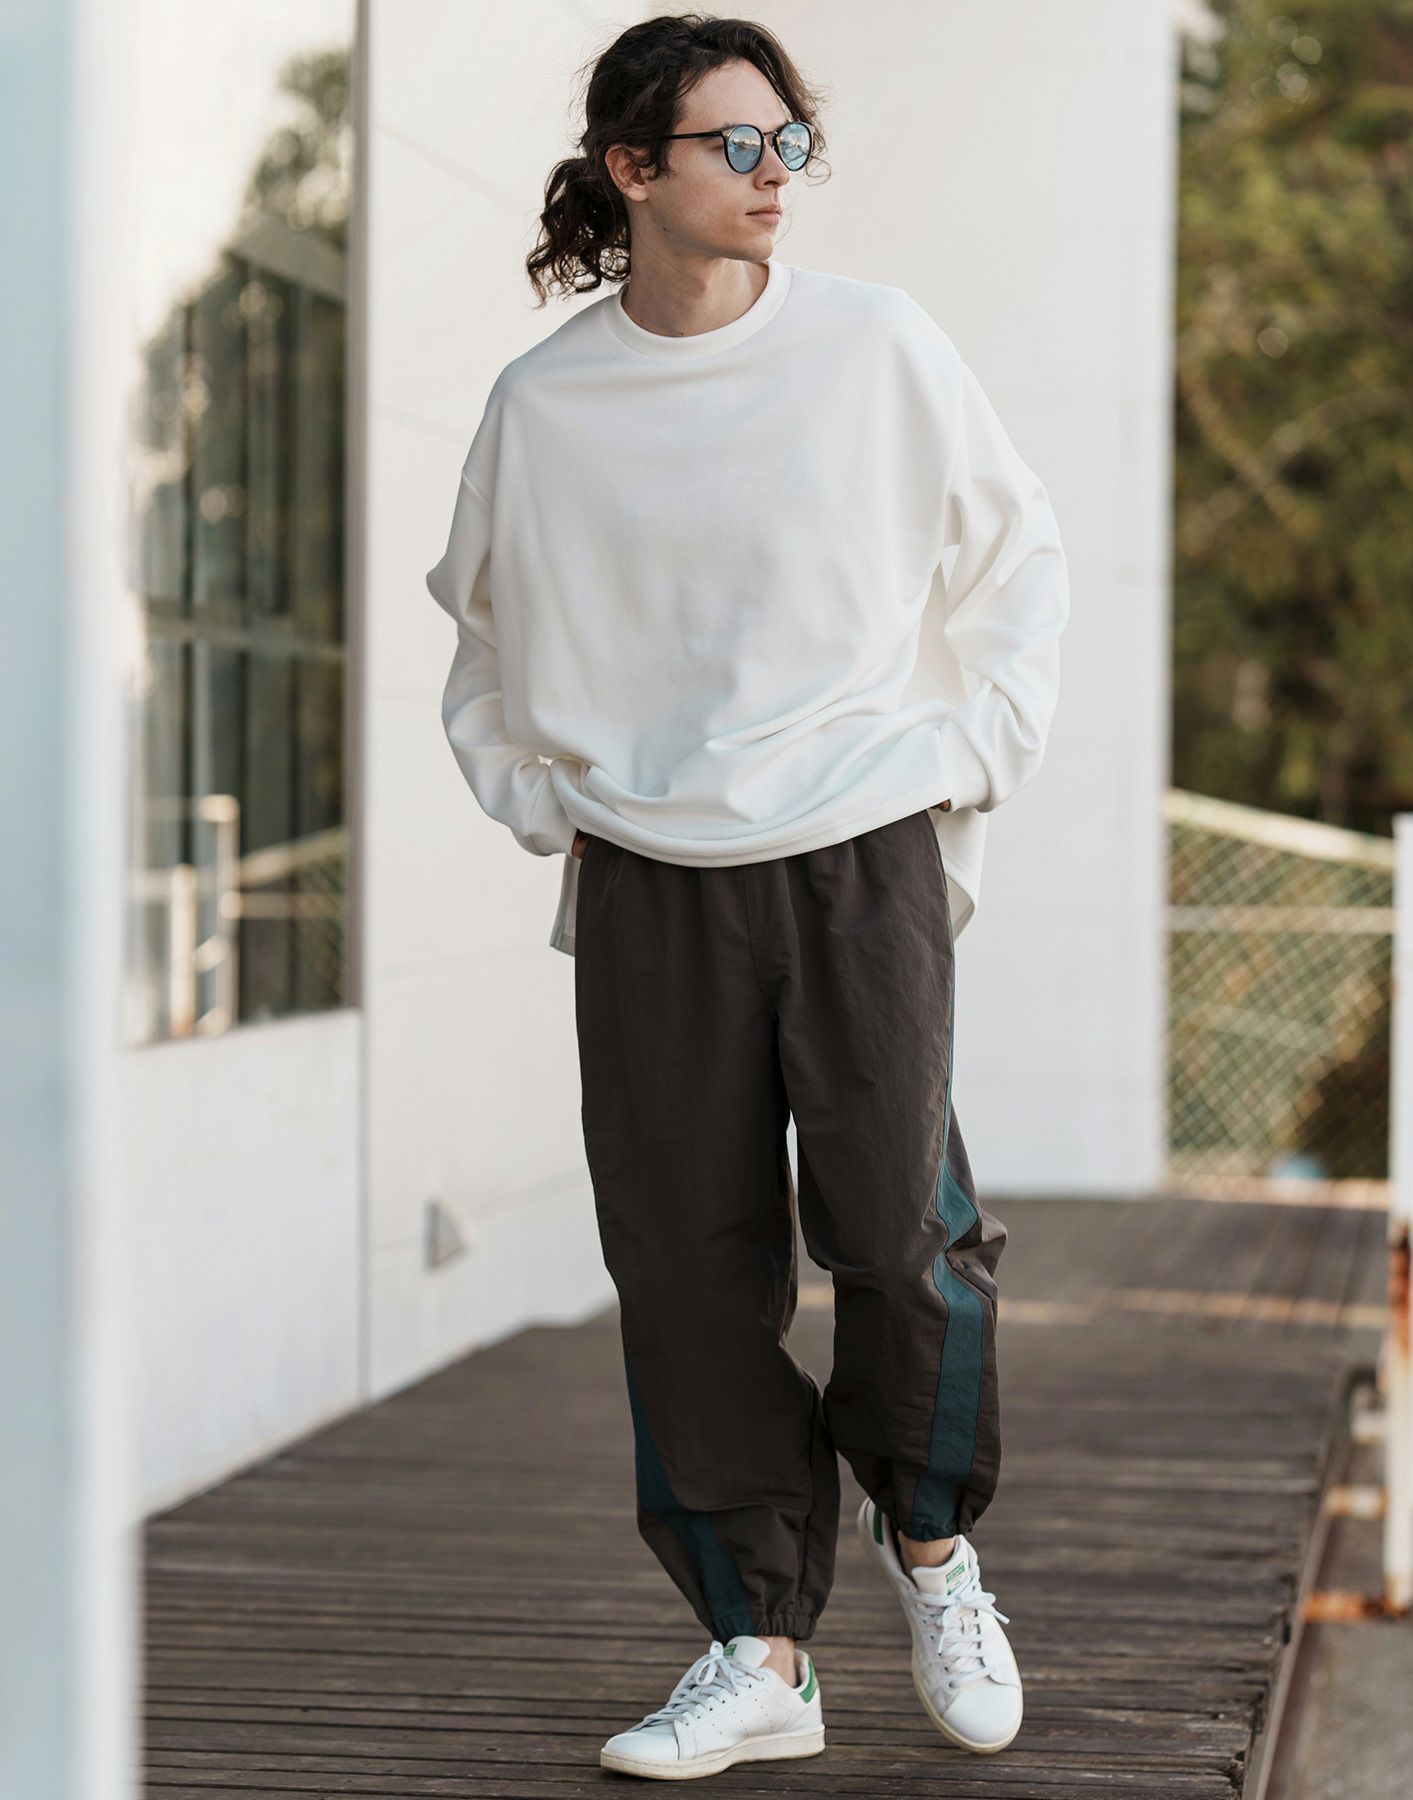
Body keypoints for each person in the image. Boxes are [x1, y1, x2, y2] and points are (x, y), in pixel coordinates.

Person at [424, 12, 1069, 1783]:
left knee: (900, 1237)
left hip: (861, 852)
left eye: (792, 141)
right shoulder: (546, 404)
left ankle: (932, 1548)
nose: (779, 174)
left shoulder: (876, 345)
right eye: (738, 144)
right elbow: (481, 641)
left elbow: (1017, 555)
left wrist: (973, 752)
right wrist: (540, 801)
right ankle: (760, 1647)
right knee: (686, 1268)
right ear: (634, 169)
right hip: (651, 881)